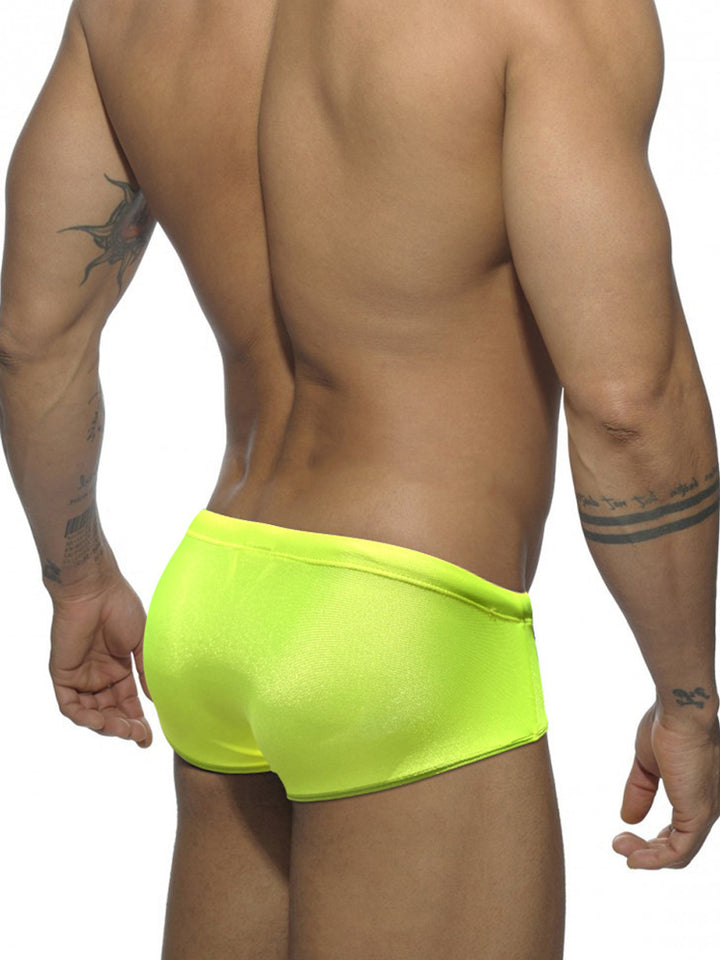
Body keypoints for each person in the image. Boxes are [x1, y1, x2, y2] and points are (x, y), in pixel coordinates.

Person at [0, 0, 718, 957]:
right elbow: (629, 402)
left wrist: (79, 580)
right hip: (406, 628)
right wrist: (688, 698)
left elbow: (32, 340)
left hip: (216, 591)